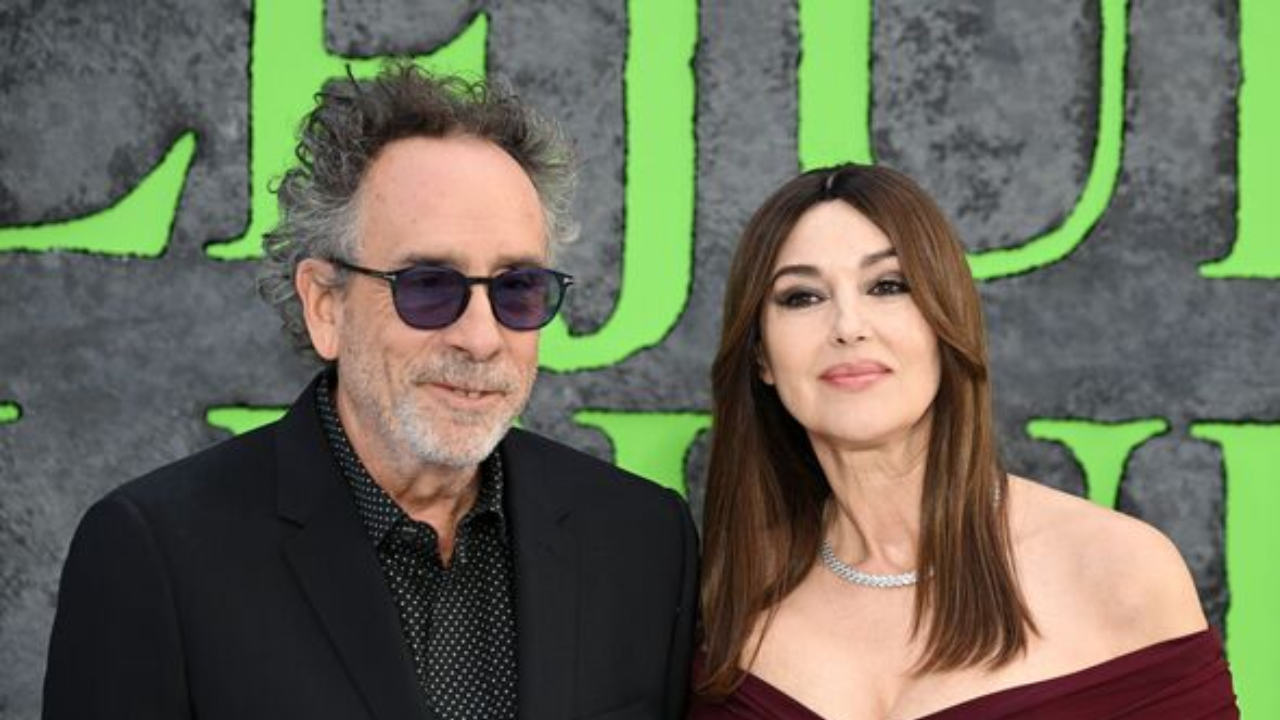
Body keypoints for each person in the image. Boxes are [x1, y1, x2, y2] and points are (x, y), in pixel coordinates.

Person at [43, 63, 697, 720]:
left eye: (516, 289)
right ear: (325, 304)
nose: (480, 338)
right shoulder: (156, 554)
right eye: (429, 286)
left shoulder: (642, 540)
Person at [691, 165, 1237, 719]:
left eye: (888, 286)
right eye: (802, 297)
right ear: (761, 355)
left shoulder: (1118, 568)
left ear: (945, 322)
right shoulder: (727, 597)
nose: (848, 326)